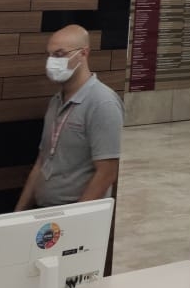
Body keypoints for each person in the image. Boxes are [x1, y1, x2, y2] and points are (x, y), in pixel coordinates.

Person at [16, 24, 124, 211]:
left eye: (59, 54)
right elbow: (42, 161)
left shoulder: (102, 103)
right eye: (50, 55)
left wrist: (74, 218)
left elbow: (107, 172)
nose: (52, 61)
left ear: (83, 53)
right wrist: (18, 214)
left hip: (74, 216)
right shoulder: (56, 101)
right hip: (47, 213)